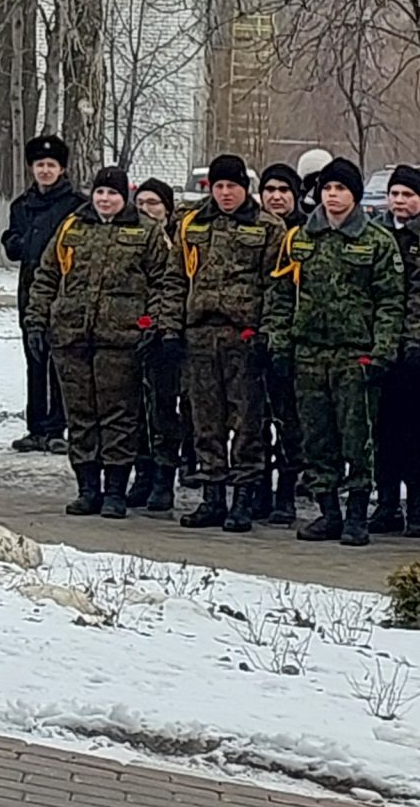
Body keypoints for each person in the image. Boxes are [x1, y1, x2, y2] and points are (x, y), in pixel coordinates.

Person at [28, 167, 182, 522]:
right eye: (100, 193)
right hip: (72, 338)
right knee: (81, 416)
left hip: (122, 341)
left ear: (123, 196)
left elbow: (164, 283)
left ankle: (115, 490)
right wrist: (37, 320)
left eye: (112, 194)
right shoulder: (72, 228)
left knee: (118, 417)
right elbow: (47, 275)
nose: (105, 200)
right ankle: (87, 488)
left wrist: (152, 325)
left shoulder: (146, 232)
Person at [275, 158, 405, 547]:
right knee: (317, 439)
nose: (332, 196)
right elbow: (282, 294)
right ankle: (328, 511)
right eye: (327, 189)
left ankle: (356, 515)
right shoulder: (300, 238)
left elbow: (390, 301)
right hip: (310, 353)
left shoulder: (377, 241)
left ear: (355, 196)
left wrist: (381, 351)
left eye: (341, 190)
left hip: (355, 355)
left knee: (357, 439)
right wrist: (280, 342)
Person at [173, 155, 282, 533]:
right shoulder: (193, 224)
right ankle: (213, 496)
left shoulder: (268, 227)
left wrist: (266, 332)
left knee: (248, 421)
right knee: (206, 420)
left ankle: (244, 499)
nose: (224, 193)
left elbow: (276, 284)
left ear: (244, 188)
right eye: (218, 186)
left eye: (231, 186)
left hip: (243, 337)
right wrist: (173, 327)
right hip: (200, 335)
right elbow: (176, 278)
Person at [371, 163, 420, 539]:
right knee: (384, 430)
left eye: (408, 195)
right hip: (383, 347)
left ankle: (417, 507)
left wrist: (416, 339)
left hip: (419, 349)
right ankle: (386, 504)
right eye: (395, 194)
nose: (399, 201)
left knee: (419, 432)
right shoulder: (379, 234)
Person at [3, 136, 79, 453]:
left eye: (51, 165)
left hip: (64, 294)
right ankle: (36, 427)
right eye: (40, 165)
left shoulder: (76, 205)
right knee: (34, 359)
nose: (45, 170)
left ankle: (58, 427)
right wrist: (17, 243)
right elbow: (12, 243)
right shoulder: (22, 205)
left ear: (61, 169)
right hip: (30, 293)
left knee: (60, 362)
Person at [256, 162, 308, 525]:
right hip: (252, 337)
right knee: (254, 421)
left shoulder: (307, 232)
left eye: (284, 191)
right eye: (270, 190)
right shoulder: (253, 227)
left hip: (294, 341)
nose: (276, 197)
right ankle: (258, 489)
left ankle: (286, 492)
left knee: (291, 422)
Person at [131, 178, 186, 512]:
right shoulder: (134, 237)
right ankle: (143, 473)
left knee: (165, 409)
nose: (146, 210)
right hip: (136, 333)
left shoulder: (180, 239)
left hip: (170, 336)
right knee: (138, 410)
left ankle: (166, 477)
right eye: (141, 203)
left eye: (153, 203)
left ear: (167, 207)